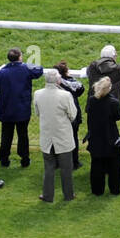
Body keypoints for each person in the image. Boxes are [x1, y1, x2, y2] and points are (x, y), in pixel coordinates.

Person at [0, 48, 42, 168]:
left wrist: (4, 68)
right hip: (22, 110)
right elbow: (39, 70)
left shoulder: (2, 72)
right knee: (23, 135)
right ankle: (24, 159)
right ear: (20, 57)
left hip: (6, 111)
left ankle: (4, 160)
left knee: (6, 136)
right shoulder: (26, 69)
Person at [34, 69, 78, 202]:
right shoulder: (65, 95)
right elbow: (73, 114)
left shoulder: (37, 94)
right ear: (58, 81)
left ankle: (47, 196)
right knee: (66, 168)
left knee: (49, 167)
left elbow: (37, 112)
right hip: (62, 136)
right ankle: (68, 195)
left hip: (47, 136)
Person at [85, 75, 120, 196]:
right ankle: (114, 189)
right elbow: (118, 116)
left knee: (96, 165)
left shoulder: (92, 100)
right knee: (114, 166)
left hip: (95, 136)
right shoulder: (113, 102)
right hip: (110, 136)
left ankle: (97, 190)